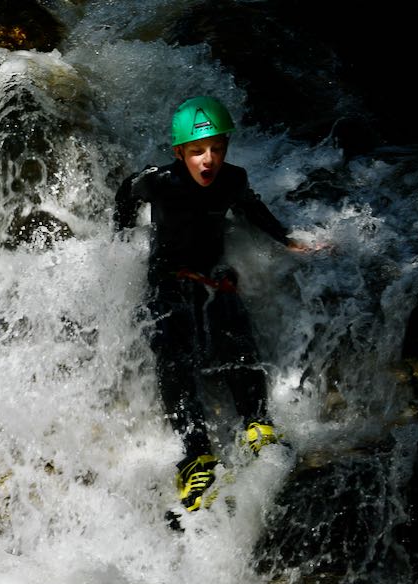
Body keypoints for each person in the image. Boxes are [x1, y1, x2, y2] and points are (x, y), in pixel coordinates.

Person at [113, 96, 310, 516]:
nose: (209, 160)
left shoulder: (232, 180)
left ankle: (257, 425)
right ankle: (195, 454)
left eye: (217, 149)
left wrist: (288, 239)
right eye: (198, 151)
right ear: (179, 153)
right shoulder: (159, 181)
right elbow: (125, 192)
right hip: (167, 281)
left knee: (235, 337)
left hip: (213, 275)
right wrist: (119, 238)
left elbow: (252, 207)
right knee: (172, 352)